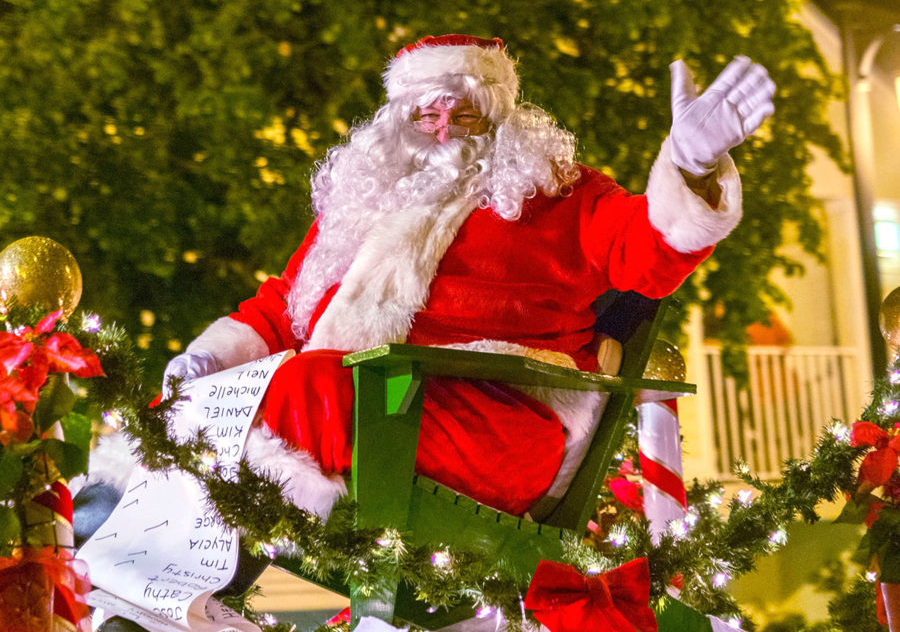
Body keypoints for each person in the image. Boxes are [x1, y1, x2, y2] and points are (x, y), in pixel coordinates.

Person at [161, 34, 775, 521]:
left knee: (308, 384)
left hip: (497, 419)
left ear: (501, 113)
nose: (444, 125)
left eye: (463, 109)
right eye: (424, 113)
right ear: (397, 120)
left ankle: (214, 568)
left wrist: (690, 165)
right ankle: (171, 590)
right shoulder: (360, 207)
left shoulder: (559, 192)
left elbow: (645, 250)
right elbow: (282, 309)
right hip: (357, 406)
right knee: (191, 405)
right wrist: (206, 362)